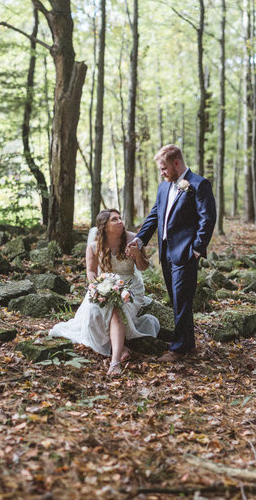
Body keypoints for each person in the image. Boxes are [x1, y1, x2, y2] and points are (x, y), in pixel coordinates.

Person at [50, 208, 160, 376]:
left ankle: (115, 361)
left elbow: (143, 267)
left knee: (117, 310)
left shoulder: (133, 239)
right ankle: (119, 346)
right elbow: (91, 272)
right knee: (95, 310)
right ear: (104, 226)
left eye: (120, 218)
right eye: (114, 220)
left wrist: (137, 254)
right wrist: (98, 287)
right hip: (104, 284)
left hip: (130, 286)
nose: (120, 222)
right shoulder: (94, 246)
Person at [133, 144, 216, 363]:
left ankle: (178, 349)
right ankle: (187, 342)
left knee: (182, 299)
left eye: (163, 168)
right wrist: (139, 239)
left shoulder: (199, 184)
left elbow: (207, 219)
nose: (162, 173)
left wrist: (196, 249)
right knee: (178, 299)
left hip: (186, 253)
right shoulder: (163, 188)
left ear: (176, 163)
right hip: (166, 254)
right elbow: (154, 216)